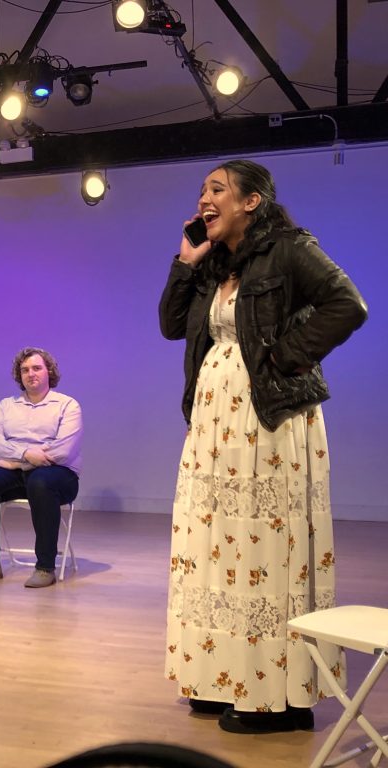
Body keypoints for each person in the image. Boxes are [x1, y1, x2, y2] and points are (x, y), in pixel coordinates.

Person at [159, 159, 367, 734]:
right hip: (213, 426)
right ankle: (218, 674)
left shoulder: (290, 249)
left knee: (262, 551)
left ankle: (276, 694)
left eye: (218, 189)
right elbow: (171, 325)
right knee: (215, 548)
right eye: (202, 190)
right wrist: (187, 261)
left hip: (268, 420)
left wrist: (281, 357)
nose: (205, 198)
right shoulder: (214, 263)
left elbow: (348, 304)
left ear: (252, 201)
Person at [0, 348, 82, 589]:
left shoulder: (67, 405)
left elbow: (61, 451)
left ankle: (45, 566)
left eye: (36, 368)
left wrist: (12, 461)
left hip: (59, 475)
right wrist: (24, 455)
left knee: (40, 481)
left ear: (49, 371)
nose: (30, 374)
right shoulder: (6, 406)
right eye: (24, 370)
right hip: (19, 473)